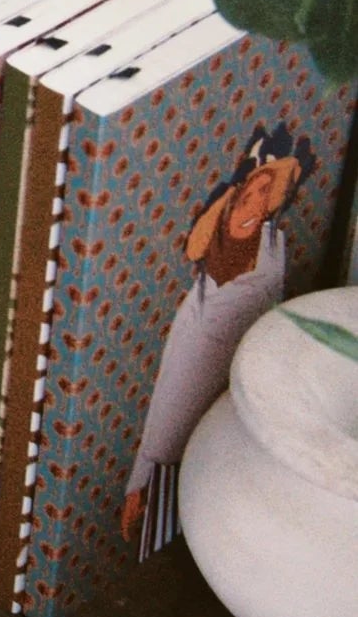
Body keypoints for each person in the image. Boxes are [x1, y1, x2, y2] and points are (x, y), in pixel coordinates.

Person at [120, 121, 314, 558]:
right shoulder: (198, 310)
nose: (256, 204)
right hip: (178, 440)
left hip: (239, 432)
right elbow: (170, 396)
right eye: (250, 193)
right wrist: (139, 480)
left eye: (267, 194)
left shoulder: (274, 254)